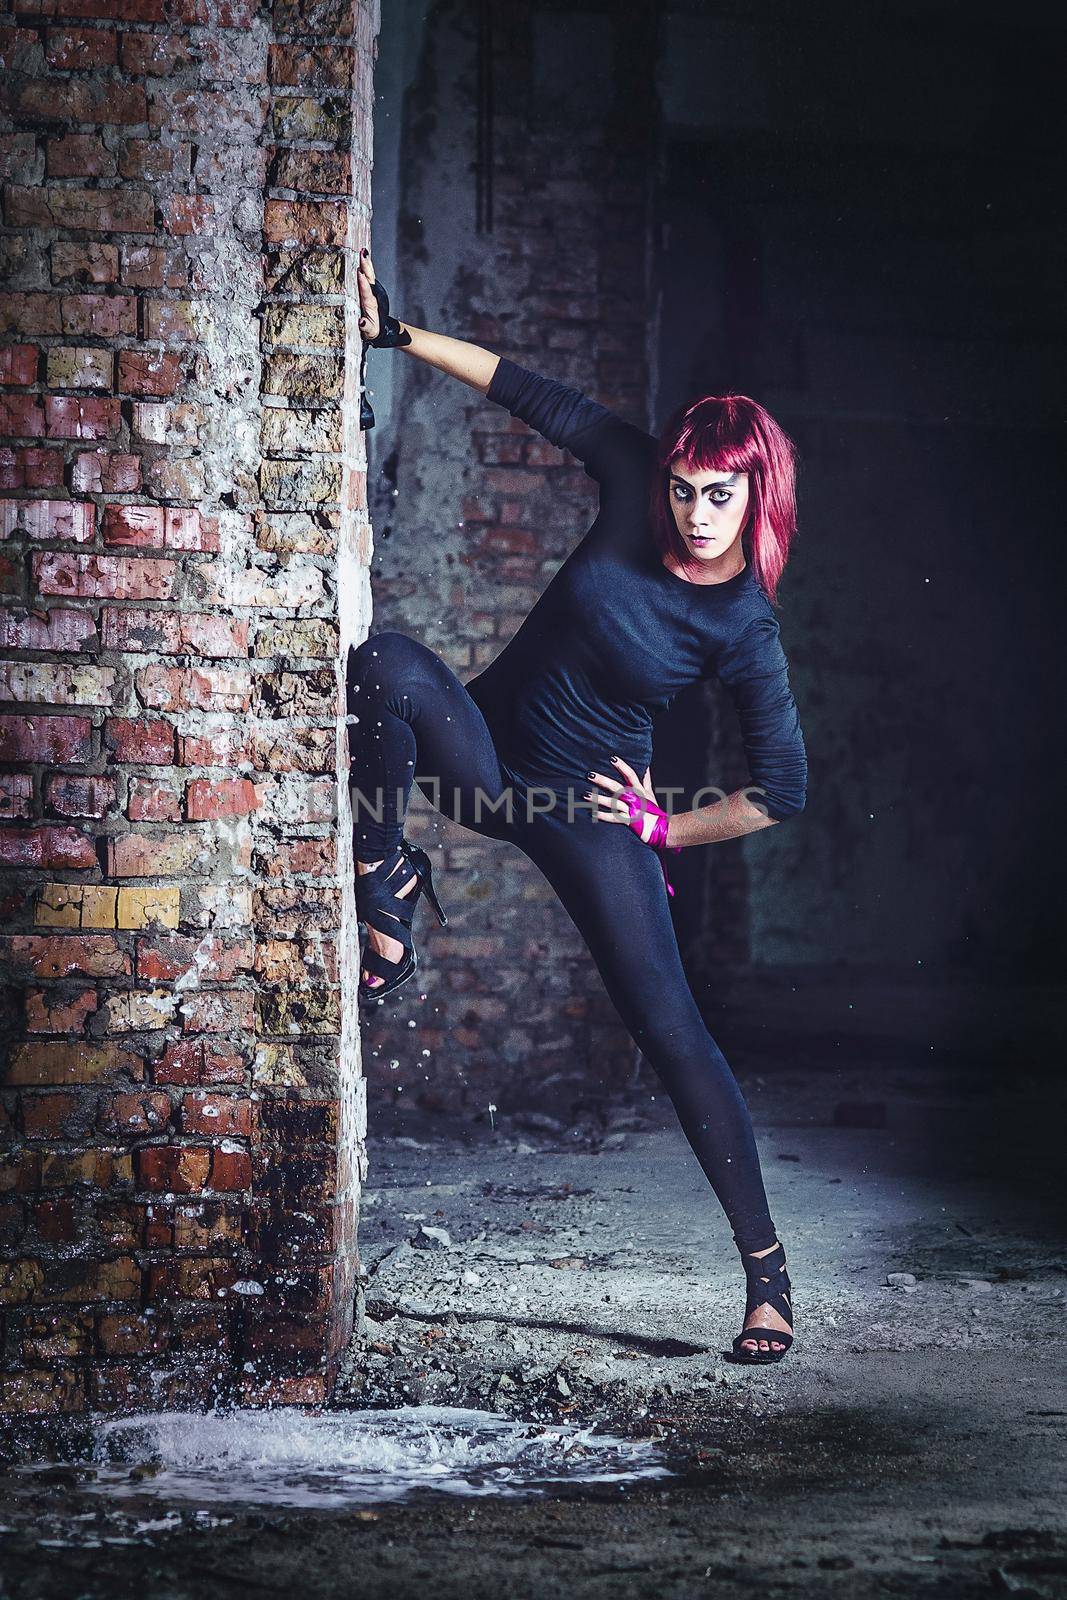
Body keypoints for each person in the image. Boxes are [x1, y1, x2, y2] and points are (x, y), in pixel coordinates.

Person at [346, 247, 806, 1365]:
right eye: (686, 490)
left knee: (668, 1027)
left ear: (755, 495)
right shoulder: (634, 474)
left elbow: (778, 790)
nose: (694, 513)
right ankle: (388, 888)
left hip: (586, 811)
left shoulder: (742, 625)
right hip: (484, 759)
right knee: (387, 667)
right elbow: (525, 388)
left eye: (719, 495)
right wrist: (394, 335)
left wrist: (660, 829)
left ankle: (766, 1282)